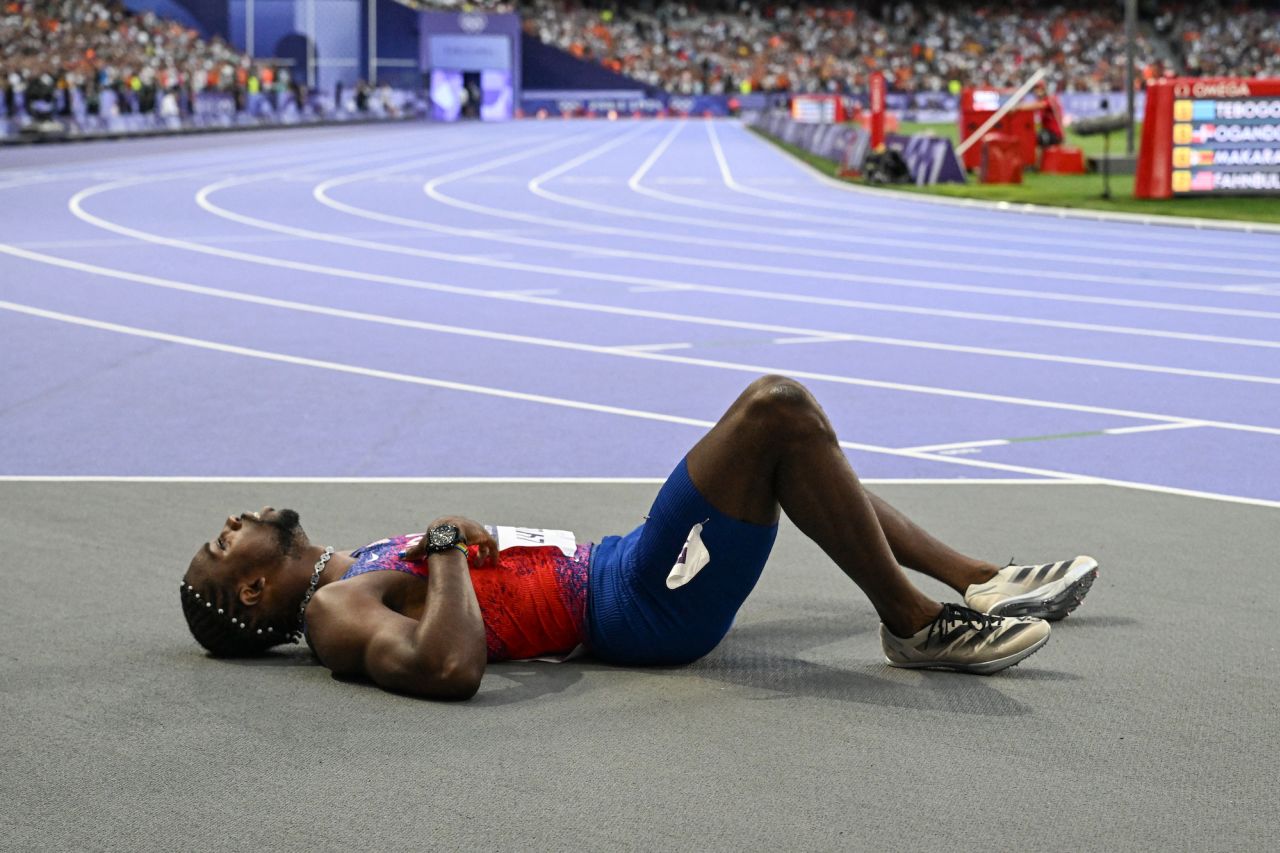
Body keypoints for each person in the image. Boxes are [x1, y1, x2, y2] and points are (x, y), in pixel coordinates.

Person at [181, 375, 1097, 700]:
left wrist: (460, 548)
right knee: (775, 412)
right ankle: (913, 620)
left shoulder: (353, 570)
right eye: (224, 548)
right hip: (635, 605)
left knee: (786, 447)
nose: (231, 525)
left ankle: (979, 578)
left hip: (614, 565)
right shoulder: (337, 608)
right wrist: (452, 548)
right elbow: (449, 669)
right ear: (256, 593)